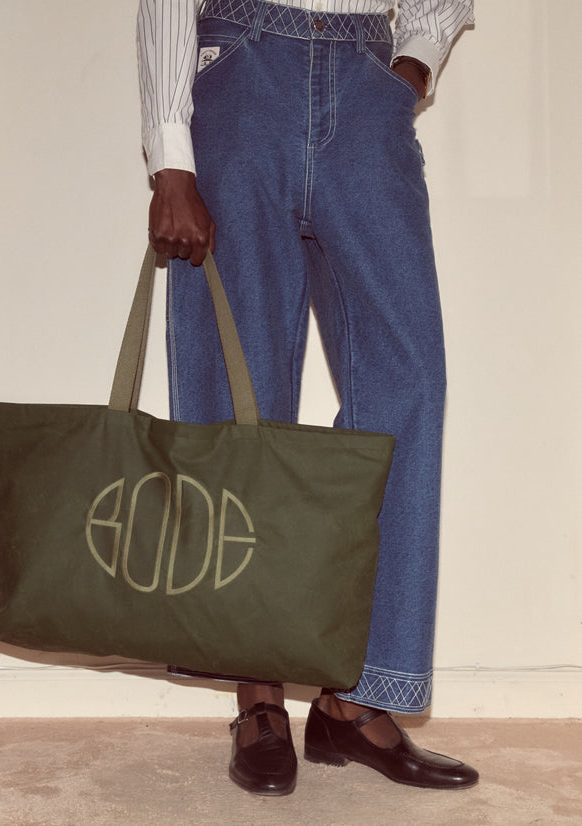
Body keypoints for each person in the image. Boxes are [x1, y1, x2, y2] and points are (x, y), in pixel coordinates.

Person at [137, 0, 478, 796]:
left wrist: (411, 66)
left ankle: (354, 702)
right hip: (242, 75)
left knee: (407, 384)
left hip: (369, 84)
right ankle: (257, 695)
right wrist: (171, 157)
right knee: (238, 399)